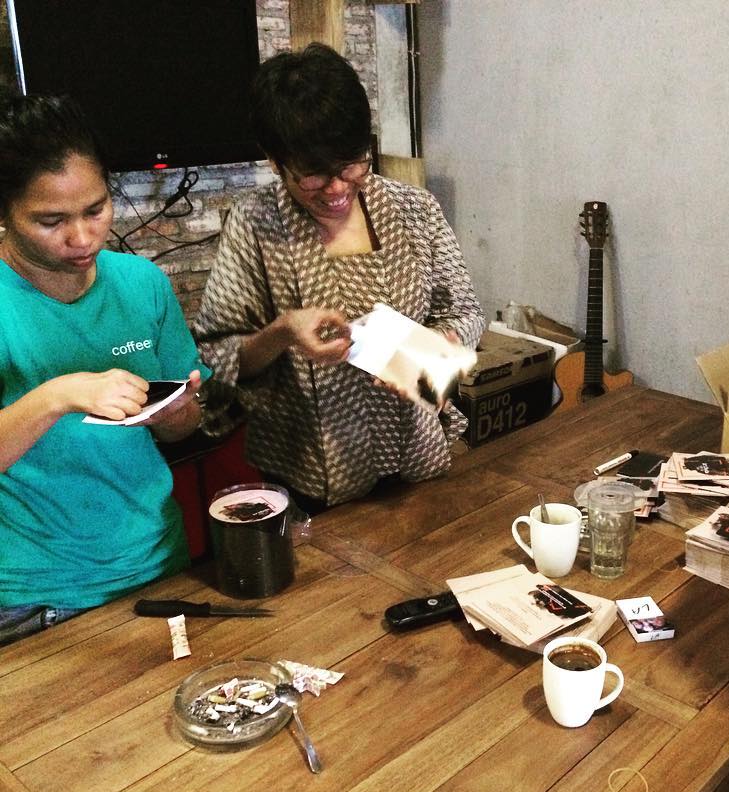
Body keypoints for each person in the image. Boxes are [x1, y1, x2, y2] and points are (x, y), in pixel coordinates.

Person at [193, 43, 484, 514]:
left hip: (420, 461)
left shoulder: (414, 209)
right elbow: (215, 354)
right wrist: (282, 332)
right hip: (309, 480)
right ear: (275, 160)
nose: (337, 188)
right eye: (313, 174)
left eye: (351, 164)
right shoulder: (255, 223)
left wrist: (437, 347)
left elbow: (466, 312)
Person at [0, 94, 209, 646]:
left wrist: (176, 412)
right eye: (51, 221)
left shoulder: (141, 283)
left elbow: (185, 426)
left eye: (96, 210)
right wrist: (58, 395)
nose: (82, 237)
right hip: (35, 594)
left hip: (157, 560)